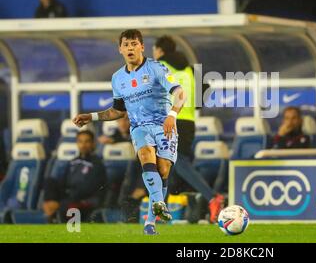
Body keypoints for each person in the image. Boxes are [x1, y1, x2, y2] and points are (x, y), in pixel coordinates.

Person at [73, 29, 186, 235]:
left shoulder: (156, 68)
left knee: (163, 170)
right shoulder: (117, 78)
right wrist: (92, 117)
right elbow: (117, 111)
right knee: (145, 155)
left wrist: (172, 115)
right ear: (120, 49)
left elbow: (180, 93)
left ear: (142, 47)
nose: (130, 48)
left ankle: (150, 222)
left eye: (134, 44)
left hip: (164, 125)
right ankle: (159, 204)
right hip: (139, 127)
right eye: (126, 44)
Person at [153, 35, 225, 223]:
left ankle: (212, 197)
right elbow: (206, 91)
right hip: (188, 122)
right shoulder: (190, 69)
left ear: (160, 51)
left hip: (169, 121)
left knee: (178, 162)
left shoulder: (159, 66)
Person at [42, 130, 106, 223]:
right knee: (49, 181)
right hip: (69, 196)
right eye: (80, 141)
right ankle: (50, 207)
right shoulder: (73, 162)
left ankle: (52, 215)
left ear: (93, 143)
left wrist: (60, 203)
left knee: (65, 205)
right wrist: (52, 199)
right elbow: (63, 182)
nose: (83, 145)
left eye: (87, 141)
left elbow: (88, 188)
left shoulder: (97, 164)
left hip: (84, 198)